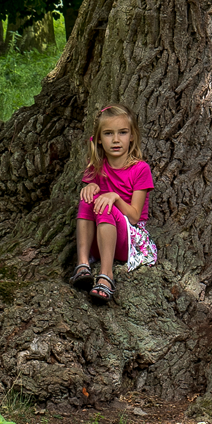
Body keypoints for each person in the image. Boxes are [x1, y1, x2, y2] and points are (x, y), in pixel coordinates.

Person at [69, 103, 157, 304]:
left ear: (132, 136)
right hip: (100, 242)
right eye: (108, 134)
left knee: (105, 204)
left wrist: (115, 197)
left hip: (130, 242)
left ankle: (106, 276)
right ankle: (83, 264)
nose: (116, 140)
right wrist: (89, 187)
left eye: (123, 133)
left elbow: (134, 216)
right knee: (88, 198)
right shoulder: (96, 167)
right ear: (99, 139)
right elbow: (90, 204)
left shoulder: (140, 169)